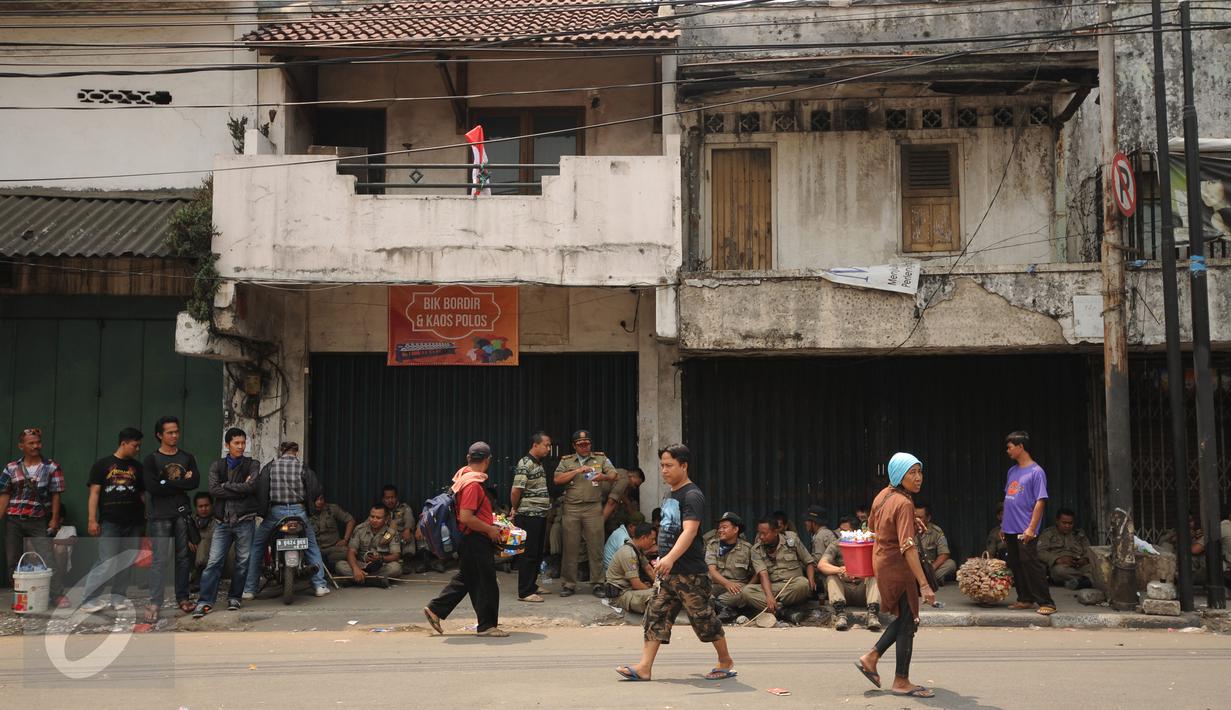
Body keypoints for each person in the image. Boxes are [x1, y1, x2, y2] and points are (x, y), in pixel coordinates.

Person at [615, 444, 734, 682]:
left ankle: (725, 661)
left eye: (669, 465)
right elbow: (669, 529)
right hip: (668, 573)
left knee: (704, 619)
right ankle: (645, 667)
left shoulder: (692, 495)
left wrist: (669, 557)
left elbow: (689, 531)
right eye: (662, 465)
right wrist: (662, 557)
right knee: (655, 616)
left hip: (690, 573)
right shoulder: (670, 493)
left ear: (684, 465)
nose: (664, 470)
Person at [855, 452, 935, 699]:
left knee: (905, 619)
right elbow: (908, 547)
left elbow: (872, 527)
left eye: (920, 472)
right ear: (899, 474)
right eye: (912, 472)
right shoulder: (903, 502)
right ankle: (900, 680)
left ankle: (872, 657)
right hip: (899, 568)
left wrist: (909, 521)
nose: (918, 478)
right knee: (907, 621)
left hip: (883, 561)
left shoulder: (884, 495)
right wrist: (924, 584)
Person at [424, 442, 507, 637]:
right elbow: (467, 517)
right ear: (487, 461)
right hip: (475, 539)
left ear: (469, 458)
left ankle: (436, 609)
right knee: (486, 582)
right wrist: (490, 529)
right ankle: (487, 626)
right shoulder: (472, 485)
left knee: (467, 578)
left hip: (471, 538)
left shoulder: (462, 477)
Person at [244, 442, 330, 599]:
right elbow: (317, 489)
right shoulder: (303, 467)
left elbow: (261, 490)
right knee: (312, 546)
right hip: (299, 512)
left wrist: (263, 512)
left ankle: (249, 589)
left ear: (281, 451)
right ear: (296, 452)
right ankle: (319, 585)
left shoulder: (271, 467)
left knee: (257, 545)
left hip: (276, 512)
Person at [192, 428, 261, 617]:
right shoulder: (218, 466)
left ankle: (235, 598)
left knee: (242, 562)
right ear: (227, 445)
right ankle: (205, 601)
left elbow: (252, 486)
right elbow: (214, 491)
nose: (240, 446)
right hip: (222, 522)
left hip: (245, 520)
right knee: (214, 562)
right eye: (236, 443)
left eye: (243, 443)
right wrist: (242, 488)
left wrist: (227, 486)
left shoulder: (252, 464)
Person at [80, 428, 146, 613]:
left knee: (127, 560)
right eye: (135, 445)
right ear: (123, 443)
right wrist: (92, 520)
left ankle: (119, 597)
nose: (137, 449)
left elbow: (142, 495)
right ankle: (89, 599)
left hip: (134, 522)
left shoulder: (138, 468)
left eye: (139, 446)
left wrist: (145, 519)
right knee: (107, 561)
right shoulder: (102, 465)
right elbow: (94, 493)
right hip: (110, 522)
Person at [142, 416, 200, 620]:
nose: (174, 435)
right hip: (159, 515)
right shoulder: (151, 459)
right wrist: (177, 483)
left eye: (176, 431)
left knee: (183, 558)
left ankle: (183, 597)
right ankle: (154, 601)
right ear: (160, 435)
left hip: (181, 513)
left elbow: (194, 483)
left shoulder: (187, 457)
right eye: (170, 432)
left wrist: (165, 482)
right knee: (159, 559)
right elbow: (152, 487)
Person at [0, 427, 66, 602]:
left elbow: (56, 494)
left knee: (47, 557)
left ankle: (57, 594)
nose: (36, 446)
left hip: (38, 519)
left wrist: (53, 518)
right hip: (13, 519)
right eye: (31, 443)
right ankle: (20, 595)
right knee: (12, 559)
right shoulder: (11, 468)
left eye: (38, 442)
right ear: (21, 446)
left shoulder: (52, 467)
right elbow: (5, 494)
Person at [553, 429, 618, 597]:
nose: (584, 447)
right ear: (574, 446)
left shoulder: (600, 458)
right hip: (572, 508)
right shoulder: (567, 461)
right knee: (570, 547)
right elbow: (557, 479)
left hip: (593, 508)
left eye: (587, 443)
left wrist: (602, 477)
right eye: (581, 444)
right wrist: (577, 471)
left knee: (596, 546)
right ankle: (569, 584)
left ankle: (597, 583)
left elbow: (614, 474)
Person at [1002, 431, 1056, 615]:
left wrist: (1032, 528)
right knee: (1016, 562)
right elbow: (1008, 498)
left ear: (1020, 447)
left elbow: (1040, 501)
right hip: (1010, 526)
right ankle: (1025, 598)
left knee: (1031, 563)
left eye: (1010, 447)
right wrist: (1003, 525)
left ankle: (1046, 601)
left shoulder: (1036, 472)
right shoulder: (1012, 471)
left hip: (1025, 526)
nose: (1007, 451)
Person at [741, 516, 817, 622]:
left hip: (792, 586)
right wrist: (769, 596)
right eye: (759, 533)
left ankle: (775, 608)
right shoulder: (756, 549)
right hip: (772, 587)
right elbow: (763, 574)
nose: (761, 537)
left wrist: (811, 579)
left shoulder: (792, 539)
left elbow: (808, 562)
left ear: (776, 531)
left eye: (764, 533)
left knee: (803, 583)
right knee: (746, 591)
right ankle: (783, 611)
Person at [511, 431, 552, 603]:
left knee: (536, 552)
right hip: (528, 515)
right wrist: (515, 508)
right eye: (546, 445)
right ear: (535, 445)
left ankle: (532, 585)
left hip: (539, 515)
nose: (549, 449)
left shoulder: (538, 463)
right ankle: (525, 591)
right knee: (528, 554)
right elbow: (516, 490)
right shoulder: (525, 463)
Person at [819, 538, 882, 631]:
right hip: (844, 590)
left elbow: (883, 565)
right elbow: (821, 565)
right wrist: (840, 570)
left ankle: (872, 615)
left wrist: (864, 572)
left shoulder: (871, 544)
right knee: (831, 577)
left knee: (875, 577)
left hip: (863, 590)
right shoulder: (837, 544)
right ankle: (840, 614)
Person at [705, 511, 755, 622]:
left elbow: (758, 572)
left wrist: (748, 587)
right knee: (699, 594)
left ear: (735, 529)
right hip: (715, 585)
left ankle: (720, 607)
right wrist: (727, 583)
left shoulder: (747, 549)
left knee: (744, 594)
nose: (720, 530)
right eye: (719, 528)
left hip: (736, 588)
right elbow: (712, 571)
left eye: (724, 527)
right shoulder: (712, 545)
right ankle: (726, 610)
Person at [338, 505, 401, 586]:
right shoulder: (360, 529)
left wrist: (381, 558)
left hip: (380, 566)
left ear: (386, 519)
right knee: (340, 565)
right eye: (372, 516)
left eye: (378, 518)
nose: (374, 520)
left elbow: (396, 556)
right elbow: (351, 551)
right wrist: (355, 569)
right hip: (361, 565)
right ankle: (375, 581)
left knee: (396, 568)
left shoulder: (391, 532)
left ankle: (357, 580)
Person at [605, 522, 657, 613]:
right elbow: (636, 584)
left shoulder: (636, 549)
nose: (654, 542)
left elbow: (649, 569)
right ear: (643, 538)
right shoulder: (629, 554)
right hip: (621, 596)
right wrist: (652, 590)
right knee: (658, 595)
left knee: (662, 592)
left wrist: (659, 584)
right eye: (652, 539)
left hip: (629, 590)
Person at [1037, 508, 1094, 589]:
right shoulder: (1048, 534)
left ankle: (1079, 582)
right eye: (1064, 523)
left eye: (1070, 523)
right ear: (1057, 521)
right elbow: (1040, 552)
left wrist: (1084, 559)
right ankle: (1086, 581)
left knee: (1095, 570)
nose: (1067, 526)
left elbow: (1089, 550)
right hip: (1061, 566)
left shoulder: (1079, 534)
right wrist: (1058, 559)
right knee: (1059, 572)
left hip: (1079, 565)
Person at [381, 484, 426, 572]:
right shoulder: (380, 511)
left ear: (396, 497)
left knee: (409, 535)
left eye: (392, 497)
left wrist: (407, 529)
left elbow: (409, 520)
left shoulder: (404, 508)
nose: (390, 500)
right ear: (383, 499)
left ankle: (408, 561)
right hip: (387, 538)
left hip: (402, 538)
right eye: (387, 498)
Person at [312, 493, 355, 573]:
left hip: (333, 549)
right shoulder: (304, 512)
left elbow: (350, 520)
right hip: (315, 550)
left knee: (350, 553)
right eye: (316, 500)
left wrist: (345, 539)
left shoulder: (332, 509)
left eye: (321, 499)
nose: (320, 502)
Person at [914, 502, 956, 585]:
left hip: (930, 568)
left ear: (928, 518)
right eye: (914, 517)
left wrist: (932, 568)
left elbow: (944, 553)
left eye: (920, 517)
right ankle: (931, 581)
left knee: (951, 564)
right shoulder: (907, 529)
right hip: (912, 568)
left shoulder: (936, 531)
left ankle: (923, 581)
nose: (916, 520)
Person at [1159, 513, 1207, 581]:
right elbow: (1161, 544)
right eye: (1185, 521)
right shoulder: (1171, 533)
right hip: (1175, 566)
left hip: (1192, 568)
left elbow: (1196, 550)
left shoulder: (1198, 534)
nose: (1189, 523)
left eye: (1191, 521)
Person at [189, 492, 217, 588]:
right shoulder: (191, 521)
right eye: (200, 506)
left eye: (206, 505)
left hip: (214, 556)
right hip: (194, 556)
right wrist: (188, 541)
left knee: (204, 541)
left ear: (211, 505)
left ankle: (200, 579)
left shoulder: (217, 520)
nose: (204, 509)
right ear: (196, 508)